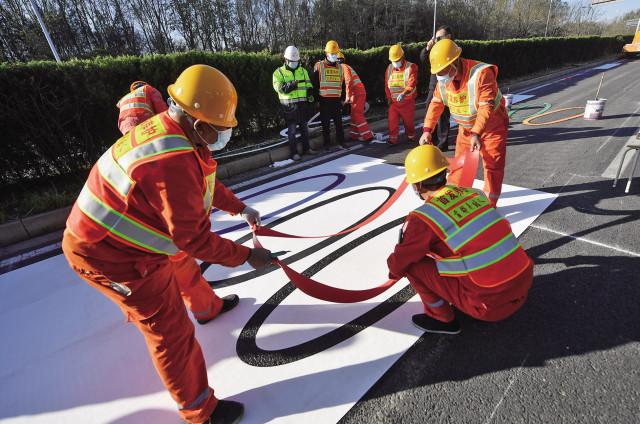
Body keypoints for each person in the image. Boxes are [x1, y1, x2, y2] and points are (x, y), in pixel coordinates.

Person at [62, 64, 273, 424]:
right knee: (169, 329)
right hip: (109, 256)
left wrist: (240, 208)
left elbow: (203, 185)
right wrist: (248, 256)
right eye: (219, 130)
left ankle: (208, 309)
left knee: (181, 264)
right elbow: (193, 238)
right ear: (196, 122)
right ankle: (200, 411)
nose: (223, 135)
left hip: (130, 238)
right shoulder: (171, 158)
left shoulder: (179, 134)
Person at [387, 145, 533, 334]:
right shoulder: (474, 194)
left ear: (417, 186)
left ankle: (441, 318)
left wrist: (393, 272)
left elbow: (401, 260)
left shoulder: (423, 217)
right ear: (444, 173)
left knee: (412, 265)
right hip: (522, 287)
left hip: (490, 306)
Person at [420, 39, 509, 207]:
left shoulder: (481, 74)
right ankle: (455, 198)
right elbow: (436, 104)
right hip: (466, 129)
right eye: (437, 72)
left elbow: (486, 108)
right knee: (460, 165)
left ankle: (490, 203)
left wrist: (477, 133)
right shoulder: (443, 82)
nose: (440, 76)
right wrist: (427, 130)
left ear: (455, 62)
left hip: (492, 127)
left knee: (492, 165)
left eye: (443, 70)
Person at [273, 45, 318, 160]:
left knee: (304, 129)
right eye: (292, 61)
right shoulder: (278, 73)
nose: (294, 63)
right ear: (286, 59)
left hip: (302, 105)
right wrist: (292, 85)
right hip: (289, 107)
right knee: (292, 132)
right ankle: (294, 153)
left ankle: (307, 149)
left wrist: (310, 93)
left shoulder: (303, 71)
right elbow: (280, 88)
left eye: (296, 61)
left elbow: (308, 85)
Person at [419, 25, 454, 152]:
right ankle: (430, 138)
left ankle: (442, 143)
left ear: (448, 37)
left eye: (439, 38)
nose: (436, 40)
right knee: (430, 110)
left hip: (448, 84)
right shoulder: (435, 48)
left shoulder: (452, 49)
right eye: (435, 38)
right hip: (435, 84)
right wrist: (428, 48)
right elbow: (424, 60)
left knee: (443, 115)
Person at [313, 40, 347, 151]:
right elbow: (315, 84)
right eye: (332, 54)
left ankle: (341, 142)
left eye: (336, 54)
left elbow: (342, 84)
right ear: (326, 54)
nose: (334, 56)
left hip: (336, 101)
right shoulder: (319, 66)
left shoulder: (340, 67)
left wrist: (342, 98)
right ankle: (327, 144)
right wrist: (316, 100)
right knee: (325, 125)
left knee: (339, 124)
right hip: (324, 101)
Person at [385, 44, 418, 145]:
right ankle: (392, 139)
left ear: (402, 57)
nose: (395, 63)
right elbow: (387, 84)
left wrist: (403, 94)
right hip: (394, 103)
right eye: (393, 61)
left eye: (397, 60)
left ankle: (411, 135)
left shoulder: (411, 67)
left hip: (407, 101)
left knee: (408, 123)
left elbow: (412, 83)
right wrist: (389, 98)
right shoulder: (389, 68)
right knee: (392, 121)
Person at [337, 52, 374, 143]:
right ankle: (354, 135)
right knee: (354, 115)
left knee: (357, 114)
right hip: (357, 93)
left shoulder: (343, 67)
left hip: (358, 93)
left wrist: (347, 97)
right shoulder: (344, 67)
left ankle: (367, 136)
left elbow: (348, 82)